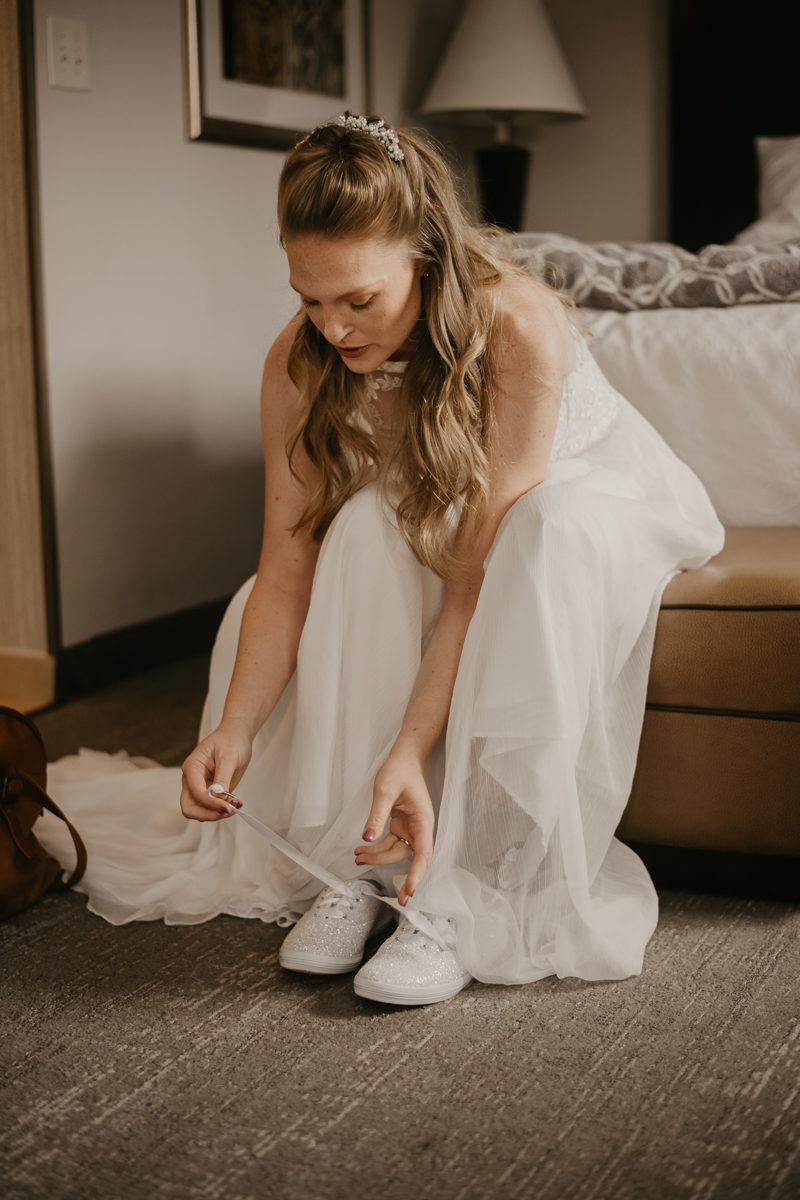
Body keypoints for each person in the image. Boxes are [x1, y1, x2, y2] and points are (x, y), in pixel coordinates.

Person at [42, 113, 724, 1007]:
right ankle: (359, 868)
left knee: (539, 538)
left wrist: (409, 750)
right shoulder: (297, 360)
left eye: (358, 300)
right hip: (443, 504)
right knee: (361, 528)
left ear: (428, 256)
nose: (331, 327)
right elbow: (286, 568)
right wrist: (235, 728)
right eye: (308, 297)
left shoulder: (515, 327)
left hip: (577, 500)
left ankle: (470, 886)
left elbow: (475, 573)